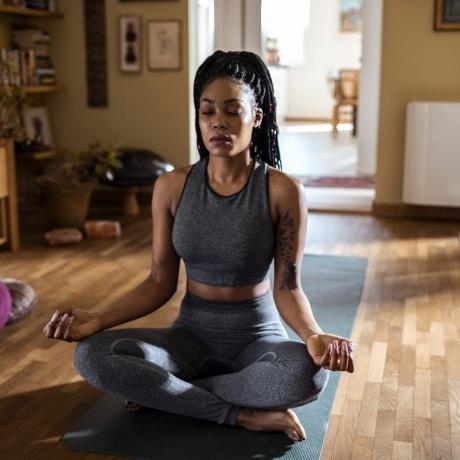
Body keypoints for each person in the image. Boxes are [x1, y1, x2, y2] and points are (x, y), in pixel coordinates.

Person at [43, 50, 356, 443]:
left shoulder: (282, 190)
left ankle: (169, 393)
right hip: (188, 340)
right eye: (207, 111)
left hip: (257, 341)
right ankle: (239, 413)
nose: (218, 123)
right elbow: (159, 281)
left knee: (308, 373)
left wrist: (313, 336)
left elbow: (288, 286)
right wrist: (99, 320)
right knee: (90, 355)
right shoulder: (172, 187)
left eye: (232, 111)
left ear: (256, 117)